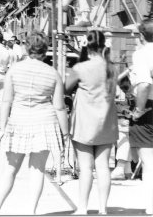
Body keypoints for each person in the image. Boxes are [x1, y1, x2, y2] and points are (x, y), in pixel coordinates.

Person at [0, 31, 68, 215]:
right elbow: (59, 107)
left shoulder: (14, 70)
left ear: (26, 47)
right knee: (37, 170)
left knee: (10, 169)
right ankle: (31, 211)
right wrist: (65, 132)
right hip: (45, 122)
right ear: (45, 49)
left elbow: (6, 101)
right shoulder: (53, 74)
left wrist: (2, 127)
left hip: (18, 121)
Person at [65, 29, 119, 215]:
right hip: (106, 122)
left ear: (87, 46)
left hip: (84, 123)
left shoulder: (80, 68)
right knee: (103, 167)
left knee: (86, 168)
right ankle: (103, 208)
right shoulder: (112, 68)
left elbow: (66, 88)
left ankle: (82, 207)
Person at [128, 20, 153, 215]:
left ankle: (151, 204)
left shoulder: (142, 54)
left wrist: (138, 110)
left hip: (148, 108)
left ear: (142, 36)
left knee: (149, 161)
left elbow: (144, 84)